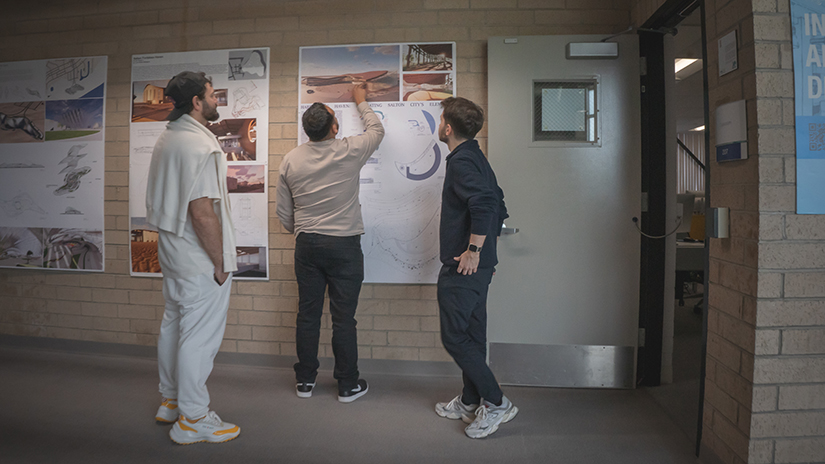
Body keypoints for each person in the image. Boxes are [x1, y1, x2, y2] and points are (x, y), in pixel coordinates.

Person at [145, 71, 240, 444]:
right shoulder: (197, 146)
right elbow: (202, 212)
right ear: (197, 102)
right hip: (197, 255)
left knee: (174, 324)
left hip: (172, 250)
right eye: (212, 95)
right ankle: (194, 419)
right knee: (199, 337)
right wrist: (219, 264)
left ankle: (170, 399)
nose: (217, 100)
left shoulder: (169, 137)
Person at [276, 83, 384, 403]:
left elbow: (284, 211)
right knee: (343, 319)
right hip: (344, 246)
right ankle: (348, 385)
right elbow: (377, 130)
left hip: (307, 245)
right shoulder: (350, 149)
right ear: (334, 128)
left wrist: (304, 230)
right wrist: (361, 102)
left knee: (307, 315)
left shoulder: (291, 159)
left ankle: (305, 381)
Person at [433, 97, 517, 439]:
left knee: (454, 336)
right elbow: (499, 201)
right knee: (471, 334)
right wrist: (486, 252)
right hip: (480, 269)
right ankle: (470, 400)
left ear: (448, 128)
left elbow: (485, 203)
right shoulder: (475, 157)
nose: (439, 126)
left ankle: (497, 403)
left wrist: (473, 250)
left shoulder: (462, 161)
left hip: (465, 267)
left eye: (440, 121)